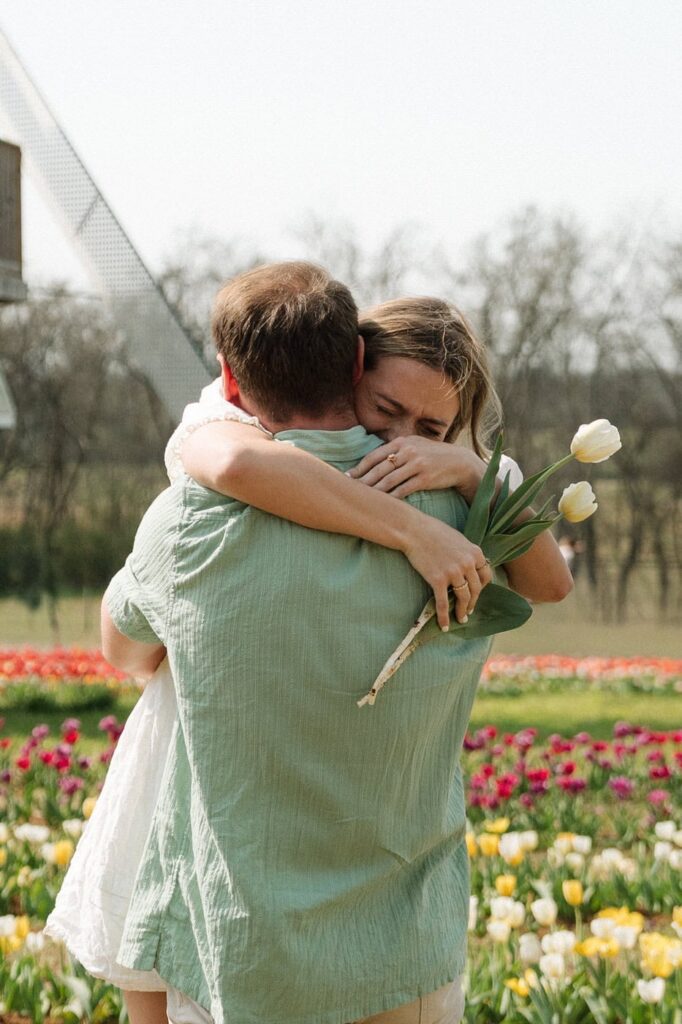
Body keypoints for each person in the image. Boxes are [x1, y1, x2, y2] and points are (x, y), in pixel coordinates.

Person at [46, 264, 571, 1024]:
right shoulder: (466, 525)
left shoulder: (197, 515)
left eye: (431, 430)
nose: (400, 444)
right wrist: (426, 518)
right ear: (355, 363)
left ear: (231, 378)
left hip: (245, 925)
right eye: (388, 411)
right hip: (406, 925)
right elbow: (230, 456)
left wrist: (467, 470)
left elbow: (125, 648)